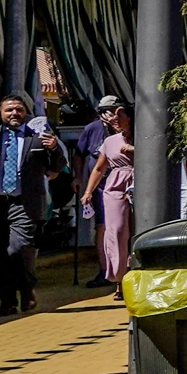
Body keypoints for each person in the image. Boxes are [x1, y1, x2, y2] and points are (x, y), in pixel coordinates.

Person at [0, 96, 64, 316]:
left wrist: (54, 148)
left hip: (23, 202)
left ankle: (27, 290)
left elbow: (58, 166)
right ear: (0, 113)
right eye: (9, 110)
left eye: (19, 109)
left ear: (26, 112)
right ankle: (7, 302)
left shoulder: (36, 136)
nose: (14, 113)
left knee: (18, 249)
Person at [77, 100, 136, 290]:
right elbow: (99, 168)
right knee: (116, 230)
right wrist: (88, 191)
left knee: (138, 231)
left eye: (119, 114)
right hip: (115, 187)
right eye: (112, 114)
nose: (114, 118)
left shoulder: (143, 137)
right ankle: (119, 278)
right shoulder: (110, 141)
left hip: (141, 185)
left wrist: (136, 150)